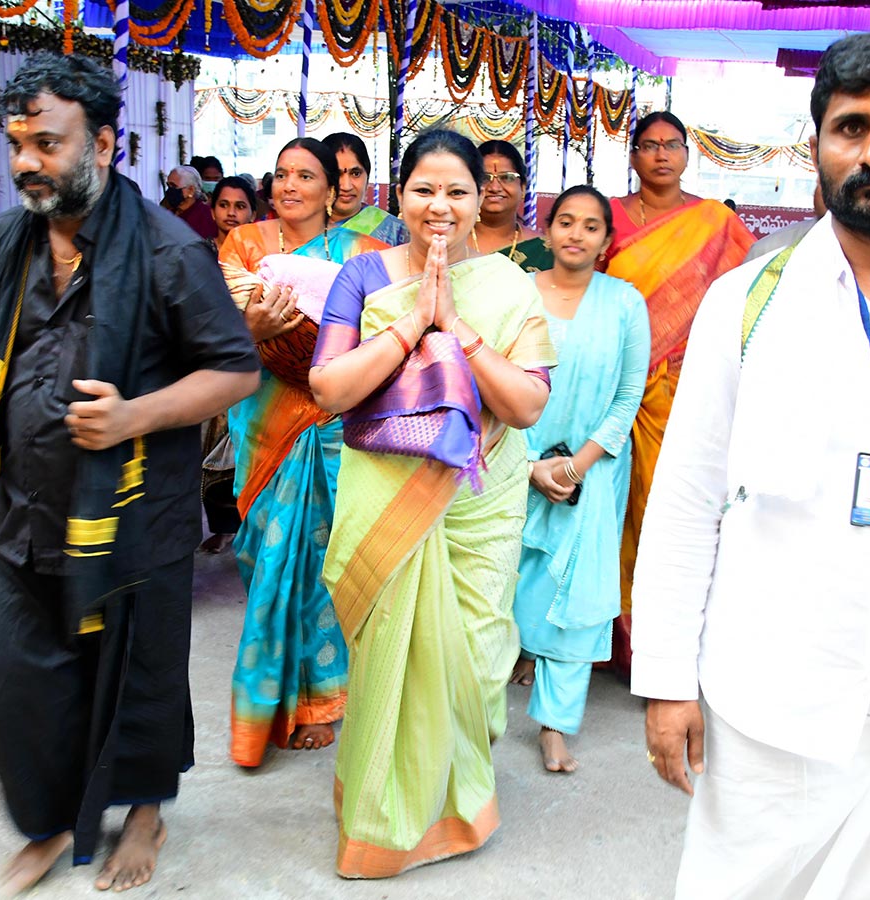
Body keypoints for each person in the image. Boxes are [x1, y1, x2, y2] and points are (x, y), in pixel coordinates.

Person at [633, 30, 870, 898]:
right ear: (817, 146)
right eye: (851, 128)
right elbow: (684, 500)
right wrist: (666, 682)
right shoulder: (745, 304)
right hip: (769, 713)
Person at [0, 54, 259, 895]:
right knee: (11, 684)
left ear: (105, 144)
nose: (26, 162)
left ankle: (147, 811)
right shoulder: (9, 240)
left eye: (47, 143)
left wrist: (135, 415)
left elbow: (234, 371)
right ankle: (52, 821)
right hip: (26, 510)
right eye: (18, 143)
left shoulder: (167, 249)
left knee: (139, 679)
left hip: (132, 518)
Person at [310, 129, 556, 877]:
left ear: (482, 200)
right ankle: (382, 828)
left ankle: (461, 802)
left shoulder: (512, 286)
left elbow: (527, 407)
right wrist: (415, 320)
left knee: (478, 661)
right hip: (387, 499)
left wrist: (458, 329)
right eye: (424, 189)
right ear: (398, 194)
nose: (439, 205)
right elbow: (328, 389)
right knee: (394, 653)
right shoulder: (362, 276)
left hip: (481, 503)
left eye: (458, 190)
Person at [218, 137, 387, 768]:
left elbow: (380, 333)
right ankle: (272, 696)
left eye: (306, 176)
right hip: (263, 422)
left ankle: (319, 702)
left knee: (323, 561)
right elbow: (216, 326)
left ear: (330, 190)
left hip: (333, 424)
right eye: (282, 174)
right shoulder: (244, 246)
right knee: (263, 554)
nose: (292, 186)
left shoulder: (364, 254)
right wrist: (255, 331)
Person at [605, 111, 755, 677]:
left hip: (685, 388)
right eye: (648, 145)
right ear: (634, 154)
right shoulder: (609, 215)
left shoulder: (714, 222)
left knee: (675, 507)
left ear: (688, 153)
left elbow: (748, 293)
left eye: (671, 145)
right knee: (610, 511)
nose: (661, 155)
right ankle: (608, 643)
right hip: (614, 383)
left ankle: (668, 644)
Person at [511, 186, 649, 773]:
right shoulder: (518, 297)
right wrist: (530, 464)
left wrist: (577, 464)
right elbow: (489, 384)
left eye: (591, 226)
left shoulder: (624, 303)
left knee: (578, 594)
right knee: (503, 582)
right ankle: (480, 706)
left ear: (606, 241)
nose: (576, 234)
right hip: (512, 460)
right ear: (545, 232)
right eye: (565, 222)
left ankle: (554, 725)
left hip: (592, 470)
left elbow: (627, 397)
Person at [198, 174, 259, 554]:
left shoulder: (263, 256)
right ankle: (219, 526)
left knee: (242, 453)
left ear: (253, 211)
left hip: (252, 364)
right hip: (207, 364)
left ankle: (243, 527)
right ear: (212, 208)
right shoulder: (199, 253)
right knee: (209, 454)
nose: (232, 213)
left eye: (240, 206)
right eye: (224, 205)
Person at [474, 139, 553, 271]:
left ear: (523, 187)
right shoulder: (451, 243)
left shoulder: (543, 250)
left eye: (507, 177)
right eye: (484, 178)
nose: (494, 187)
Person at [320, 132, 407, 246]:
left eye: (356, 174)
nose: (346, 186)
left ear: (367, 176)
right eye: (337, 174)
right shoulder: (300, 228)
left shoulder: (395, 231)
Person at [161, 165, 216, 240]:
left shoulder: (206, 215)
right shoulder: (168, 212)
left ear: (190, 190)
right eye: (168, 186)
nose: (170, 190)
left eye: (174, 186)